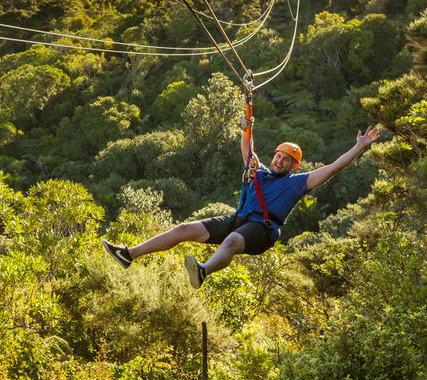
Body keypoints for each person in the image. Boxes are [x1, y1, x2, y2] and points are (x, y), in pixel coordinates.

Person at [101, 113, 379, 289]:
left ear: (294, 166)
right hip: (239, 219)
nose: (280, 161)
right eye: (278, 156)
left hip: (263, 230)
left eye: (286, 160)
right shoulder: (258, 172)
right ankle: (128, 254)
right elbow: (248, 149)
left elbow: (332, 168)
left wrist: (358, 146)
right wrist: (246, 126)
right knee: (186, 229)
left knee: (232, 241)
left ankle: (203, 271)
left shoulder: (296, 184)